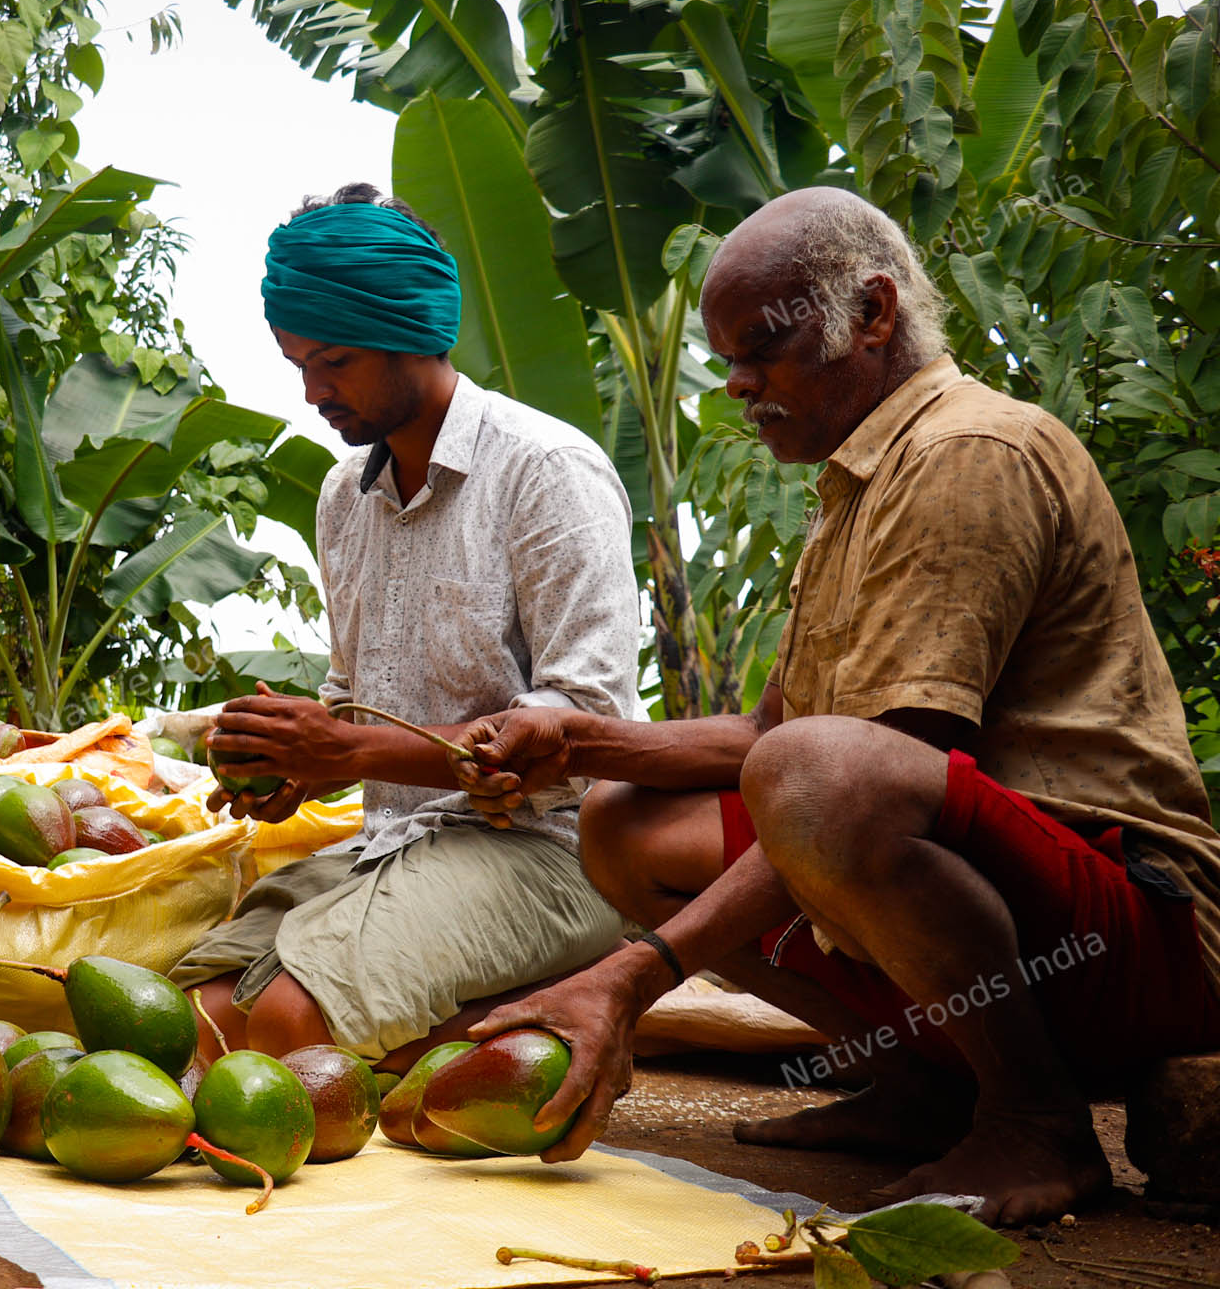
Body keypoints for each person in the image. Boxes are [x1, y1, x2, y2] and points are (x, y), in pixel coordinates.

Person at [449, 186, 1220, 1224]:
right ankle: (927, 1083)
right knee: (621, 819)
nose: (735, 383)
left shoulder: (967, 452)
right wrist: (577, 740)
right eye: (726, 356)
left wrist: (633, 976)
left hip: (1131, 935)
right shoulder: (861, 477)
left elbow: (854, 773)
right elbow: (769, 736)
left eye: (761, 346)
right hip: (1001, 917)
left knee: (819, 778)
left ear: (872, 313)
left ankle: (1035, 1119)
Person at [168, 184, 642, 1071]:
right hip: (395, 844)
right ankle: (505, 1016)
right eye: (296, 363)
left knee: (279, 1033)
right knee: (185, 1019)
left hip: (552, 856)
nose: (312, 392)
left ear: (416, 333)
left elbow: (587, 729)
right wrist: (295, 769)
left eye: (335, 361)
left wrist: (346, 755)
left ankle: (576, 998)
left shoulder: (547, 471)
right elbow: (355, 706)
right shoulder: (345, 496)